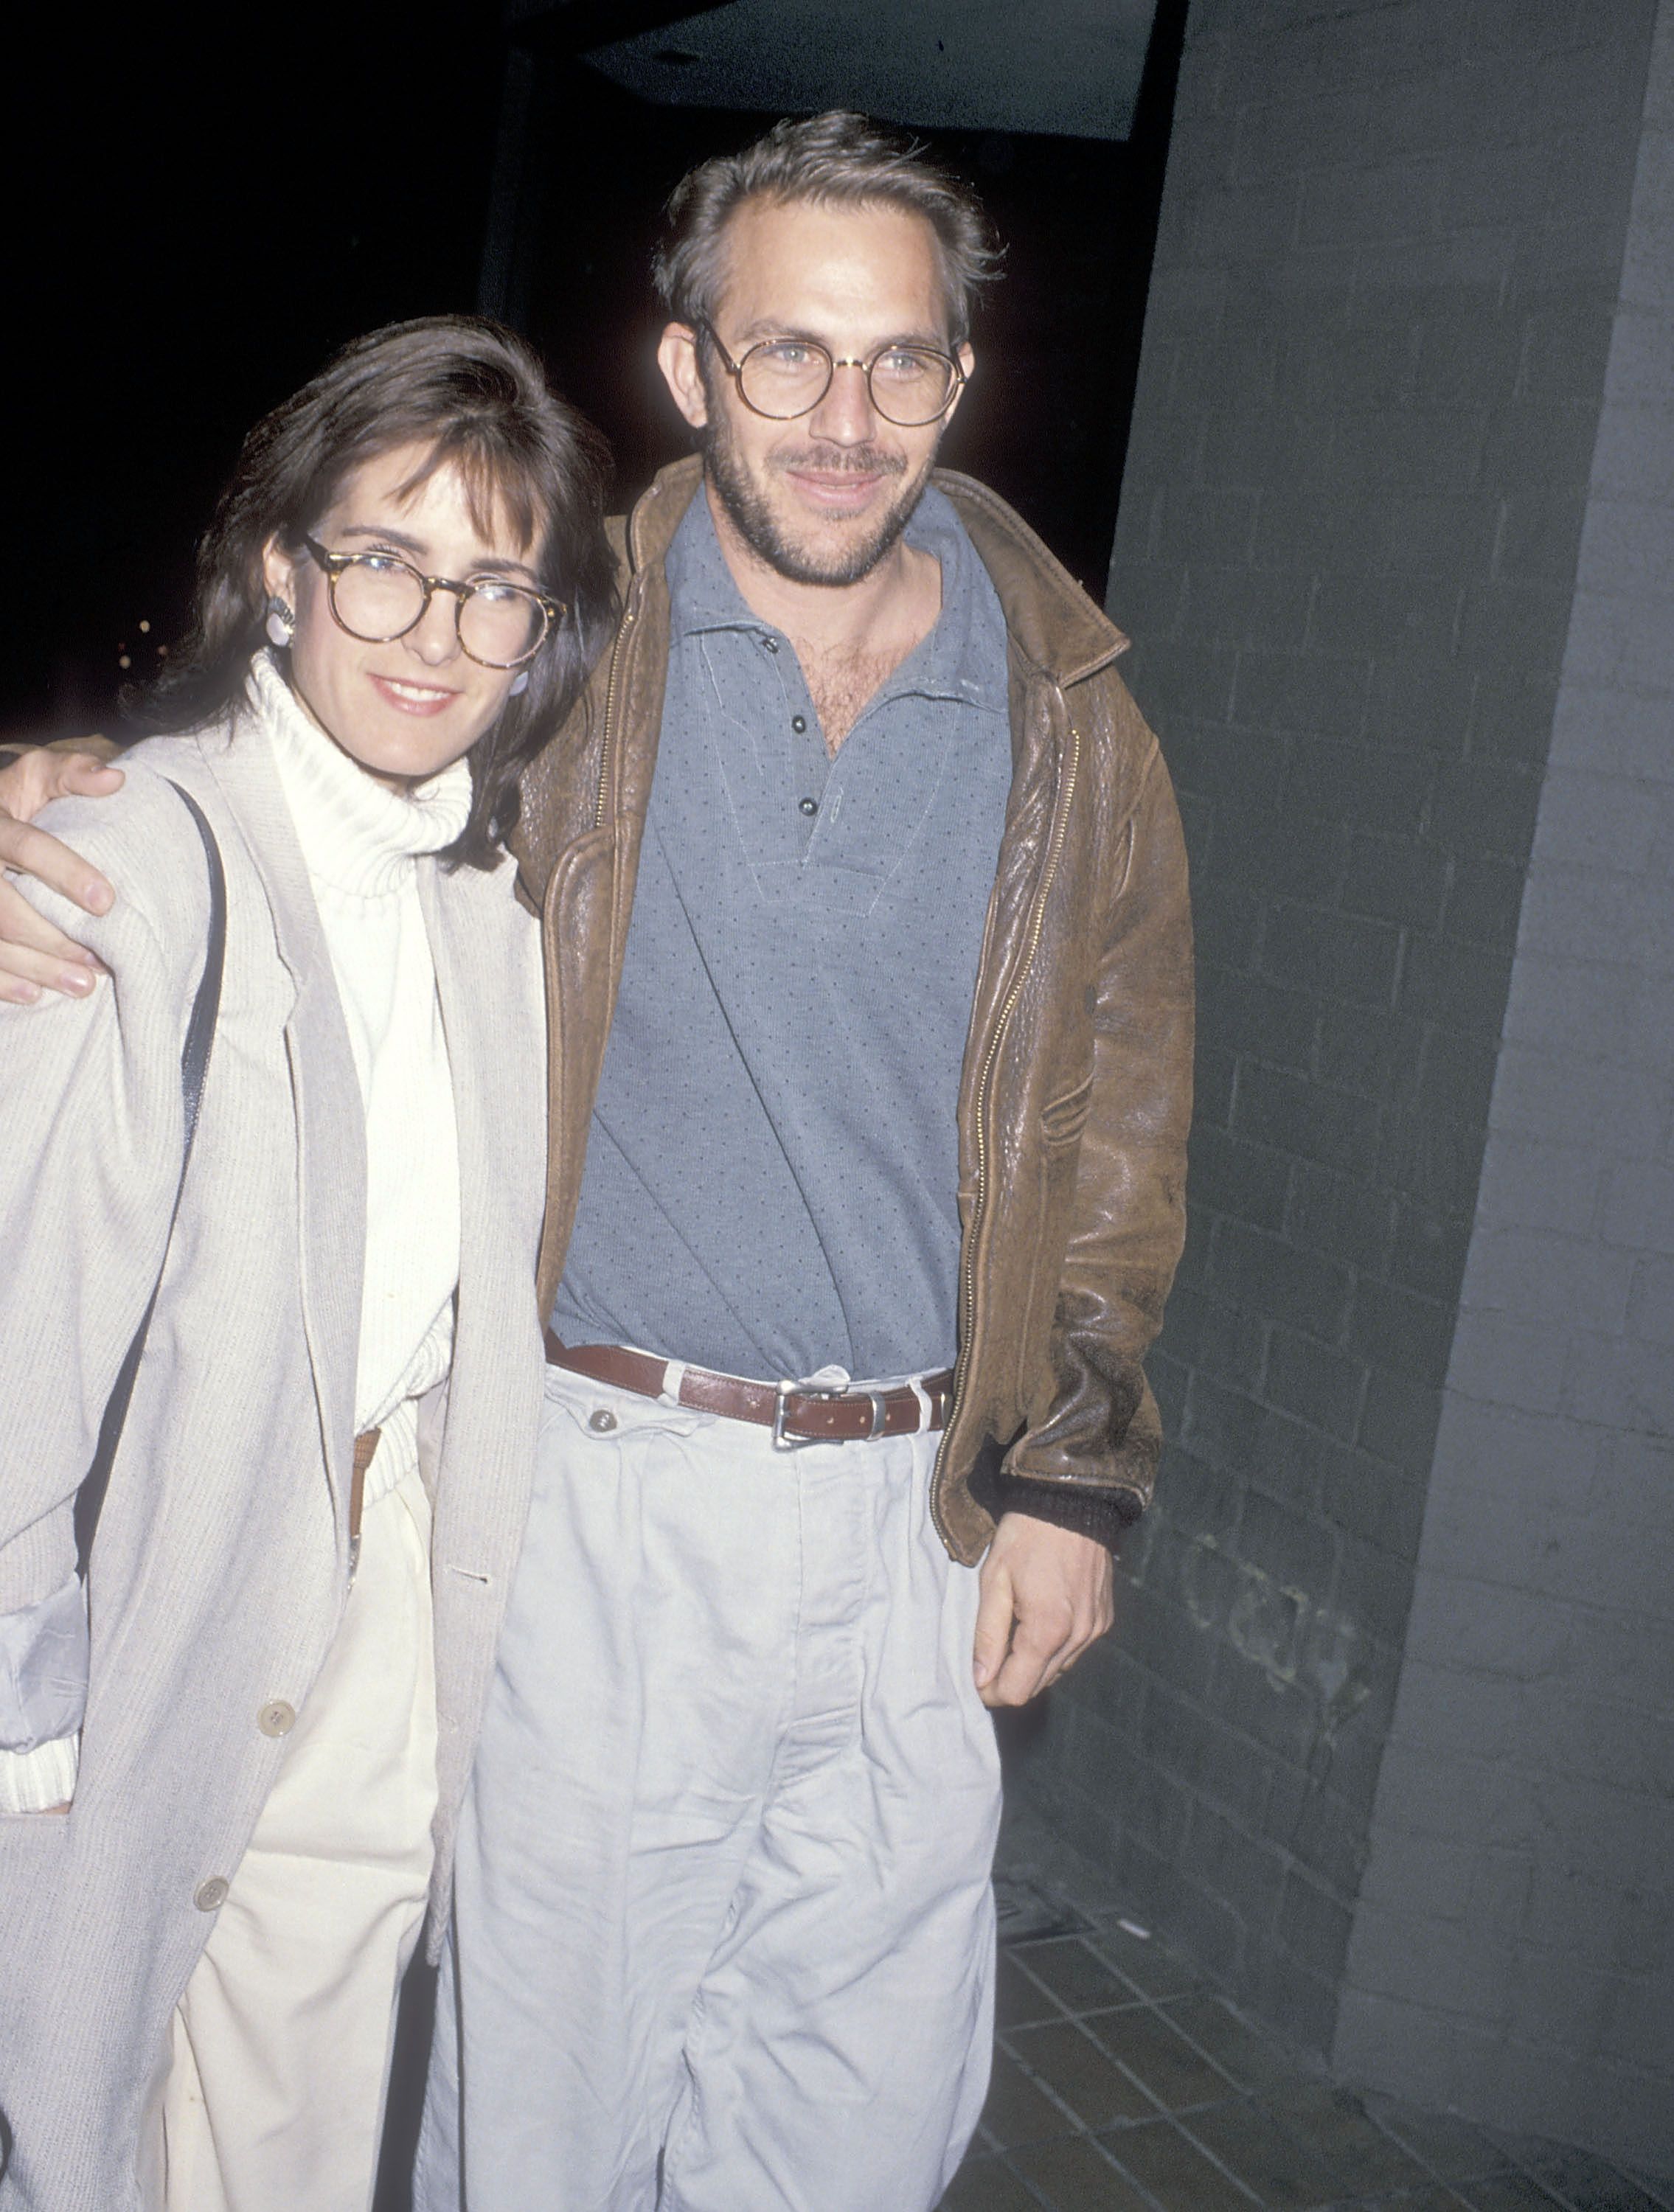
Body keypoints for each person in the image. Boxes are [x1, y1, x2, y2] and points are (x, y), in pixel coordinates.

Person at [0, 112, 1194, 2212]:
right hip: (596, 1485)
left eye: (897, 359)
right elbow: (308, 767)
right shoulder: (564, 643)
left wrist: (1070, 1472)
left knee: (850, 2124)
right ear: (686, 368)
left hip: (922, 1522)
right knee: (543, 2120)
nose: (843, 417)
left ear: (961, 377)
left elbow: (1112, 1090)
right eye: (785, 356)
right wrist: (57, 789)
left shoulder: (1069, 702)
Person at [0, 315, 614, 2211]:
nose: (436, 637)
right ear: (281, 569)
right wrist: (23, 1708)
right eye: (385, 562)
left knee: (295, 2135)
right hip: (143, 1611)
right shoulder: (133, 863)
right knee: (89, 2118)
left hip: (377, 1597)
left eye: (494, 587)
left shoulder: (485, 905)